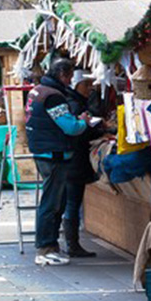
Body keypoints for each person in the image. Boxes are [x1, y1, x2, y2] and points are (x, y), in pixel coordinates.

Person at [25, 58, 92, 266]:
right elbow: (70, 127)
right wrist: (84, 122)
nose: (71, 80)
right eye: (70, 76)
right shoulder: (53, 97)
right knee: (52, 202)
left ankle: (50, 246)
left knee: (54, 200)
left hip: (42, 151)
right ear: (62, 75)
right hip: (53, 153)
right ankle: (45, 247)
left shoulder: (38, 90)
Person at [61, 71, 108, 259]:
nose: (90, 88)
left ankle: (70, 243)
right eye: (86, 85)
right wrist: (94, 128)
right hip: (74, 160)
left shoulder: (73, 101)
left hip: (71, 160)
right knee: (72, 201)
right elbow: (77, 132)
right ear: (75, 84)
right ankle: (72, 244)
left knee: (70, 201)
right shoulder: (74, 104)